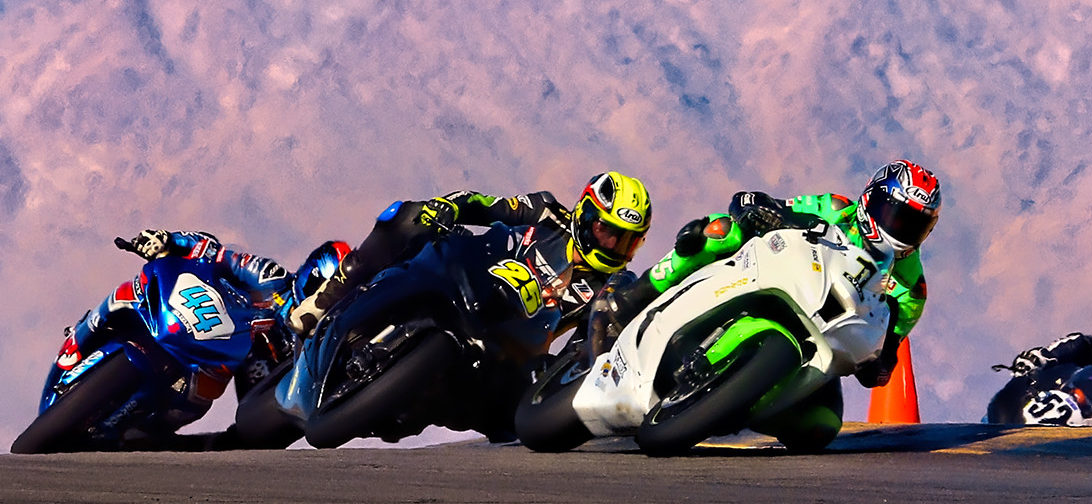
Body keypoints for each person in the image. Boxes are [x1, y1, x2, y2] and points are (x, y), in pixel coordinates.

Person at [592, 159, 943, 446]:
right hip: (778, 283)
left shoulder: (912, 289)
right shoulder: (837, 209)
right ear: (871, 201)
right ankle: (632, 299)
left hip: (820, 346)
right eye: (895, 215)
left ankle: (735, 403)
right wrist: (759, 208)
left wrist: (878, 363)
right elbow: (775, 207)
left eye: (916, 225)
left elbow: (887, 353)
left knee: (819, 430)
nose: (901, 229)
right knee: (718, 231)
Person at [287, 172, 654, 336]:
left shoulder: (611, 289)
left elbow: (587, 345)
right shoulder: (546, 212)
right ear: (586, 215)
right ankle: (326, 299)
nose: (613, 246)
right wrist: (446, 207)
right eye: (608, 232)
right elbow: (485, 205)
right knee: (406, 216)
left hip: (508, 345)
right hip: (466, 275)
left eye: (626, 240)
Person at [78, 229, 292, 447]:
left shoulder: (263, 320)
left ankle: (151, 433)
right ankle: (81, 336)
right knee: (125, 294)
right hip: (172, 309)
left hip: (207, 353)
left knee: (199, 401)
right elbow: (202, 244)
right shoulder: (218, 259)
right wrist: (163, 240)